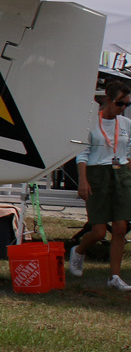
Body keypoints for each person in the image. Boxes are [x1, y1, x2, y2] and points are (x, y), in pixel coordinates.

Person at [69, 78, 131, 290]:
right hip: (97, 174)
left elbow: (128, 153)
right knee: (99, 231)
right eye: (119, 104)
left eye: (127, 105)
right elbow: (82, 154)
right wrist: (83, 180)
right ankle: (79, 250)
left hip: (120, 174)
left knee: (121, 227)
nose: (123, 109)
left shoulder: (126, 124)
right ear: (107, 100)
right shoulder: (91, 124)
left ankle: (114, 277)